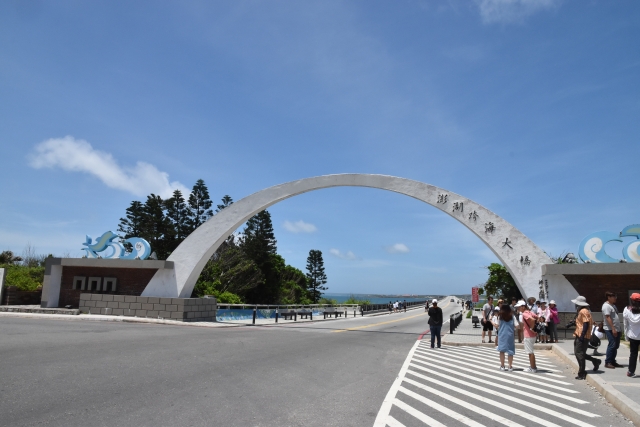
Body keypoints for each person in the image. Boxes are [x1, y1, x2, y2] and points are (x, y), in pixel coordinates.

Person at [572, 296, 601, 379]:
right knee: (581, 353)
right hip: (581, 334)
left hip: (582, 335)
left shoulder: (583, 311)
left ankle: (582, 373)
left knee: (579, 354)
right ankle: (595, 361)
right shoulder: (584, 310)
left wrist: (582, 335)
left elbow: (586, 323)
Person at [602, 291, 622, 369]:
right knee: (612, 344)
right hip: (610, 328)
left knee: (616, 345)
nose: (615, 298)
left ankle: (613, 361)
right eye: (613, 297)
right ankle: (608, 362)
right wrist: (613, 328)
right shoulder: (606, 306)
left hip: (617, 328)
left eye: (615, 296)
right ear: (608, 297)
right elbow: (608, 317)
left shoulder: (613, 305)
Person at [517, 300, 538, 373]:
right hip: (533, 335)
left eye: (519, 307)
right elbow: (536, 317)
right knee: (531, 352)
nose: (518, 308)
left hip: (528, 335)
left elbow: (532, 319)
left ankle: (533, 368)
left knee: (530, 352)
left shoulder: (524, 314)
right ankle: (533, 366)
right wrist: (534, 328)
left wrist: (531, 328)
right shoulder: (530, 312)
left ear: (523, 307)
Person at [623, 293, 640, 377]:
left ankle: (630, 371)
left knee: (633, 354)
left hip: (632, 335)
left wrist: (626, 335)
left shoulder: (627, 309)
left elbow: (625, 324)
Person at [497, 303, 517, 371]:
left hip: (502, 335)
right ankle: (510, 366)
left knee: (502, 351)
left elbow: (497, 325)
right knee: (510, 350)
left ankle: (502, 366)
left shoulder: (500, 316)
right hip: (510, 335)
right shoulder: (512, 316)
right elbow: (517, 326)